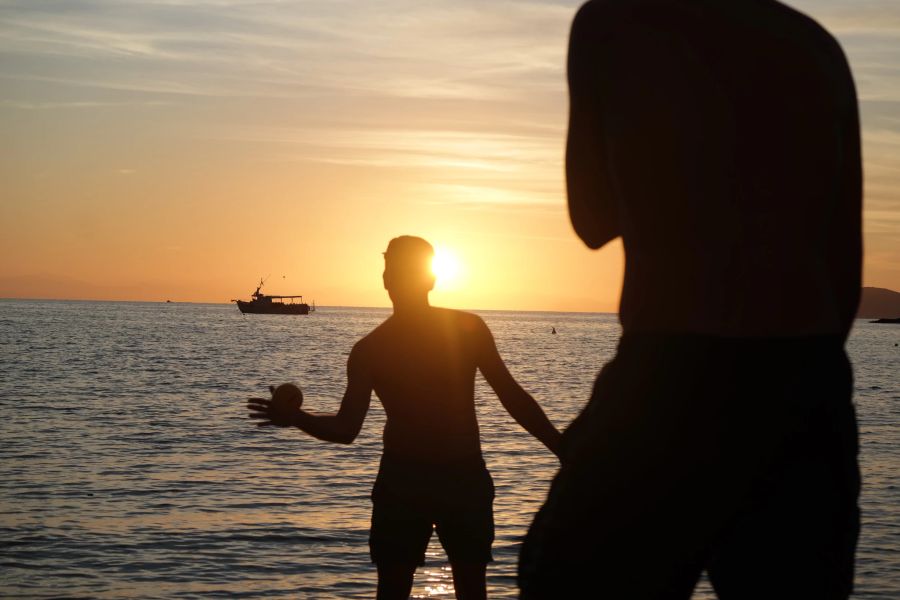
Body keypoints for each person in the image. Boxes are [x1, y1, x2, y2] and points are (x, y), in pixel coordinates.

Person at [519, 1, 862, 598]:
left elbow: (593, 219)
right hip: (807, 385)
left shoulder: (612, 22)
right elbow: (843, 268)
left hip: (671, 374)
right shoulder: (815, 44)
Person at [248, 235, 561, 600]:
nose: (395, 278)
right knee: (397, 590)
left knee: (468, 589)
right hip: (404, 481)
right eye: (392, 270)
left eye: (402, 271)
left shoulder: (462, 331)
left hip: (459, 479)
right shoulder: (370, 351)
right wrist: (297, 419)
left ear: (428, 279)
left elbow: (513, 397)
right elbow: (348, 429)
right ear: (387, 280)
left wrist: (561, 447)